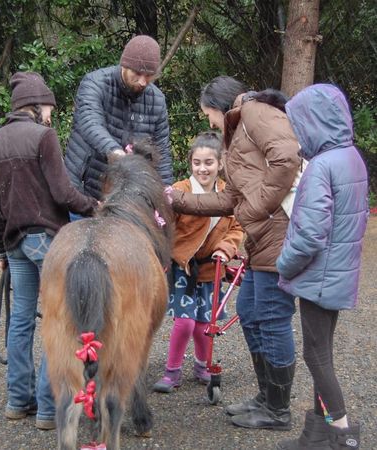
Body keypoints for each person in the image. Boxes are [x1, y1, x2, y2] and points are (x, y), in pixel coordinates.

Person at [171, 76, 302, 430]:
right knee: (248, 310)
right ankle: (265, 397)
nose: (210, 123)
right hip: (263, 237)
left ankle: (278, 410)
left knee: (272, 319)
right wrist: (176, 198)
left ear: (218, 105)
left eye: (208, 115)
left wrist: (258, 207)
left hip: (279, 233)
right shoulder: (238, 127)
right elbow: (231, 199)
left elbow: (287, 158)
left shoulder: (255, 112)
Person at [0, 72, 98, 430]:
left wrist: (0, 248)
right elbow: (63, 193)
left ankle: (18, 401)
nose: (50, 114)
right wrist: (94, 205)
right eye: (49, 107)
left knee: (20, 321)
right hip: (47, 240)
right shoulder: (43, 136)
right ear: (35, 105)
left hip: (14, 243)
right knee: (58, 322)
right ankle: (49, 410)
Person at [276, 84, 368, 450]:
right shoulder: (351, 157)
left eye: (299, 125)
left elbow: (311, 235)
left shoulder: (321, 167)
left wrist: (285, 264)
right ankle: (316, 433)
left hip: (318, 276)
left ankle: (343, 435)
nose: (297, 133)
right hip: (339, 273)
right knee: (322, 353)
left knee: (315, 355)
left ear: (315, 123)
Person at [153, 131, 243, 393]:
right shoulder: (180, 191)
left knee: (206, 323)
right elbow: (165, 226)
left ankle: (202, 366)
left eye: (209, 163)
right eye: (197, 163)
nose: (203, 169)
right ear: (190, 163)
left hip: (212, 268)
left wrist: (225, 250)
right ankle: (172, 371)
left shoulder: (228, 193)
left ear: (220, 164)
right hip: (183, 267)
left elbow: (236, 228)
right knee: (185, 321)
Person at [65, 34, 173, 206]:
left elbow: (162, 152)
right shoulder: (95, 83)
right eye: (137, 74)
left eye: (149, 75)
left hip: (125, 198)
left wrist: (166, 191)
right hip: (83, 190)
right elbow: (90, 122)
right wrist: (114, 151)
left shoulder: (157, 100)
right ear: (124, 65)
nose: (143, 82)